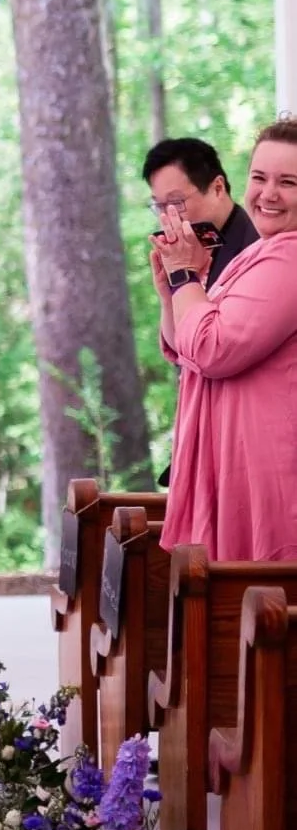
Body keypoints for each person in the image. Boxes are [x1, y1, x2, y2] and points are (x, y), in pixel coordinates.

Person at [153, 118, 297, 562]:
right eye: (259, 177)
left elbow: (213, 349)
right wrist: (176, 287)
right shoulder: (258, 252)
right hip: (236, 462)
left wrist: (184, 276)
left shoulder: (290, 258)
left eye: (288, 182)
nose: (268, 194)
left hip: (267, 470)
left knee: (254, 594)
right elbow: (186, 351)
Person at [143, 136, 258, 288]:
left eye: (176, 202)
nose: (166, 218)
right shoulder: (195, 249)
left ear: (218, 188)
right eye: (159, 205)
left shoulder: (254, 249)